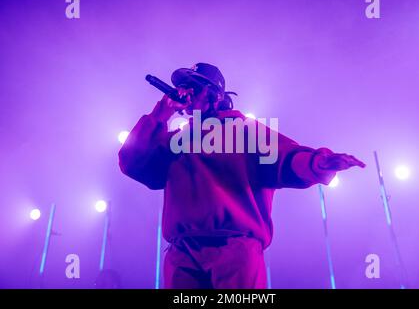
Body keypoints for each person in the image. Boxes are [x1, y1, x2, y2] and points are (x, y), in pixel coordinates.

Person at [118, 63, 366, 289]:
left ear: (216, 95)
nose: (186, 92)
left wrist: (319, 162)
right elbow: (131, 162)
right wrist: (161, 113)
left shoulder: (245, 131)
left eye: (194, 87)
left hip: (234, 251)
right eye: (183, 87)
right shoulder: (175, 141)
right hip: (182, 254)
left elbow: (286, 157)